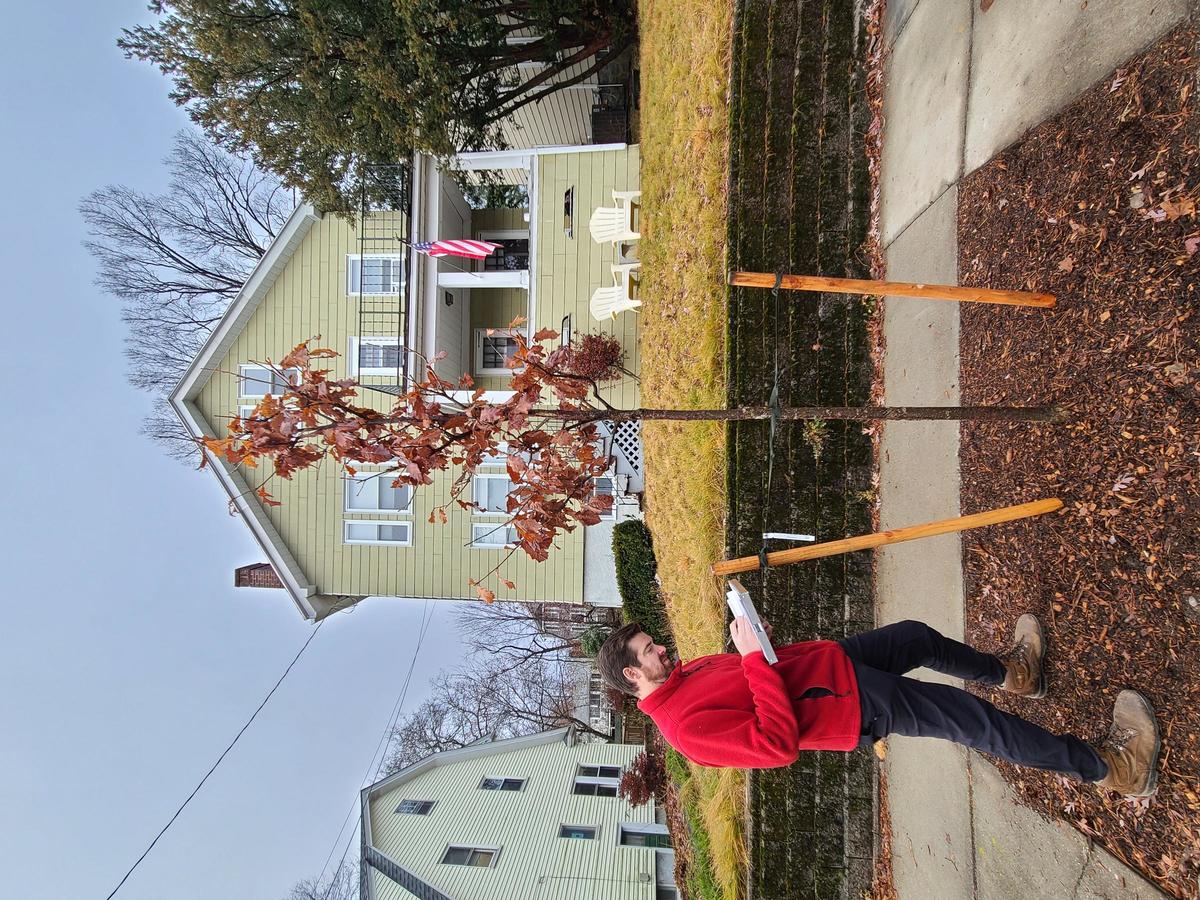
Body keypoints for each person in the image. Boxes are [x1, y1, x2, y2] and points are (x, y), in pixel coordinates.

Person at [597, 614, 1159, 797]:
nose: (663, 649)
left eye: (656, 643)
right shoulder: (683, 729)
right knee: (972, 722)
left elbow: (755, 677)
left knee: (917, 635)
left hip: (832, 665)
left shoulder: (682, 676)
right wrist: (752, 661)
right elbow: (774, 745)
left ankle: (1015, 673)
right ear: (631, 674)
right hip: (850, 706)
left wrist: (758, 643)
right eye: (650, 651)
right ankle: (1111, 768)